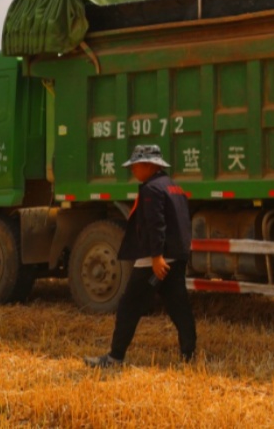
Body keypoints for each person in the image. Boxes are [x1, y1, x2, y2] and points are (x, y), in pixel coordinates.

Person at [84, 145, 196, 368]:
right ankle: (189, 355)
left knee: (129, 306)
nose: (133, 170)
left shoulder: (151, 189)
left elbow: (156, 224)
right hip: (176, 255)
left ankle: (115, 358)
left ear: (148, 165)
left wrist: (156, 256)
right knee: (179, 306)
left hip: (155, 260)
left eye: (135, 166)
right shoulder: (173, 186)